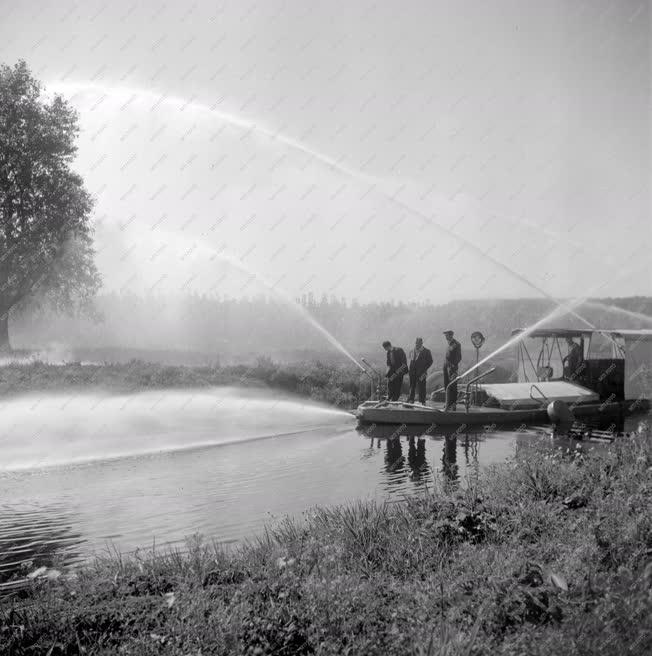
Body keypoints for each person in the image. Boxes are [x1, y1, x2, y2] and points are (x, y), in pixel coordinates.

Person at [408, 337, 433, 404]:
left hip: (422, 373)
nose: (417, 344)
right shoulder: (411, 351)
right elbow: (411, 361)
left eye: (418, 343)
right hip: (412, 373)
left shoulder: (427, 351)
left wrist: (424, 369)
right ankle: (411, 400)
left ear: (421, 343)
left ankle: (422, 401)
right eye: (416, 343)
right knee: (412, 386)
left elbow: (430, 361)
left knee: (422, 387)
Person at [443, 330, 462, 410]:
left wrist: (453, 366)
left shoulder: (456, 344)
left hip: (452, 369)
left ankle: (453, 404)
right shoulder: (449, 344)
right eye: (445, 335)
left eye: (447, 335)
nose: (446, 337)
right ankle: (448, 403)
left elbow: (458, 357)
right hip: (446, 368)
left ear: (451, 335)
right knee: (447, 386)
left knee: (453, 387)